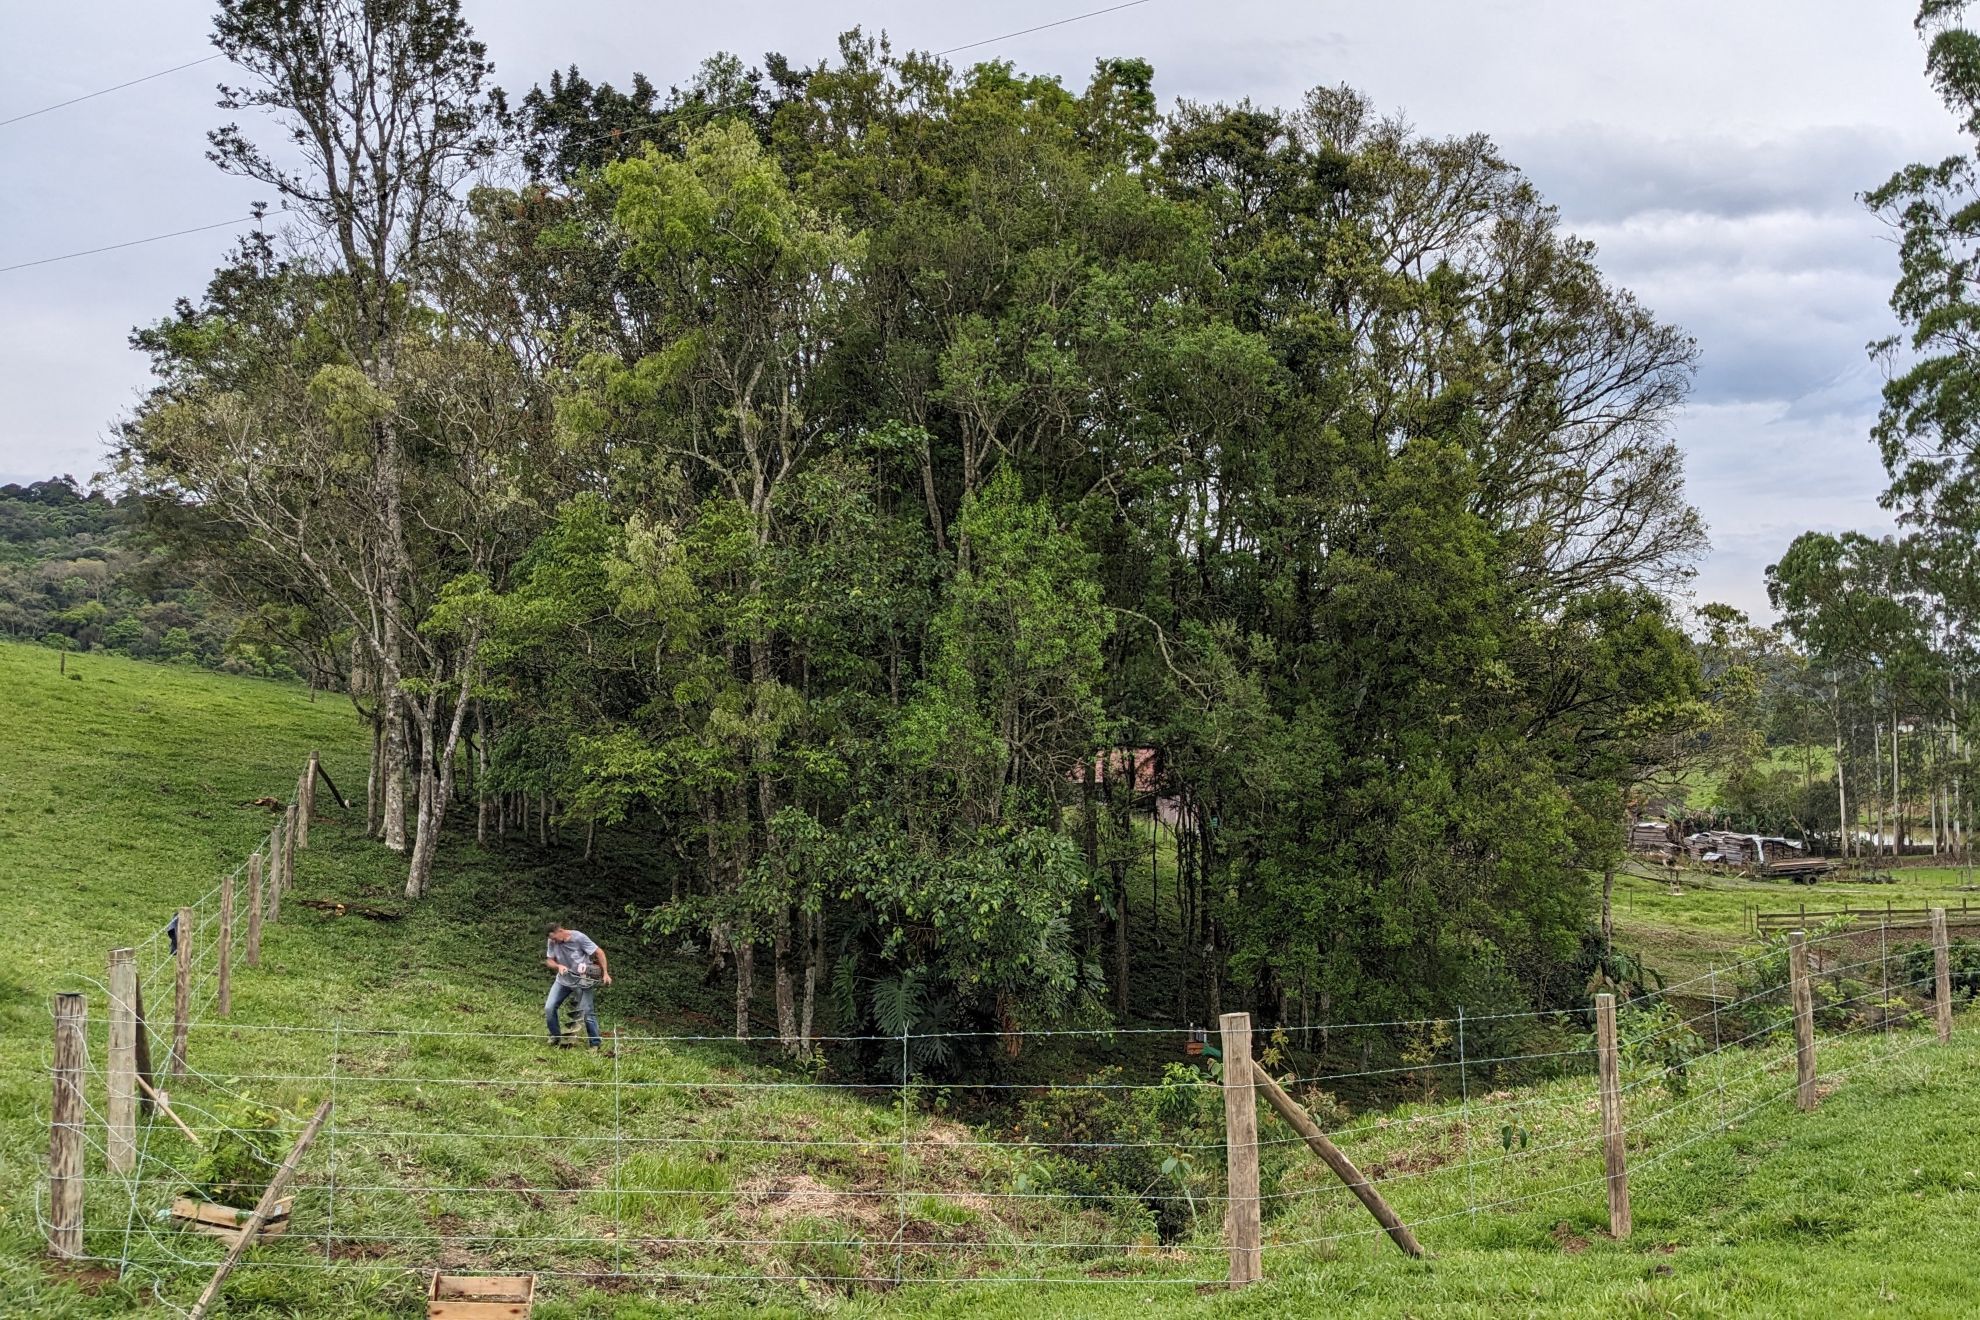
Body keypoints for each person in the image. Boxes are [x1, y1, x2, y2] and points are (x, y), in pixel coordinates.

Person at [543, 923, 611, 1048]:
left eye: (554, 938)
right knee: (549, 1008)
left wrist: (605, 973)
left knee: (587, 1012)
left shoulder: (579, 938)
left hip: (582, 980)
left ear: (560, 931)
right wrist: (558, 966)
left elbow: (599, 952)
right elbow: (549, 960)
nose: (553, 941)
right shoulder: (551, 941)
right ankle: (555, 1037)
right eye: (551, 939)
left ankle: (595, 1044)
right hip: (563, 980)